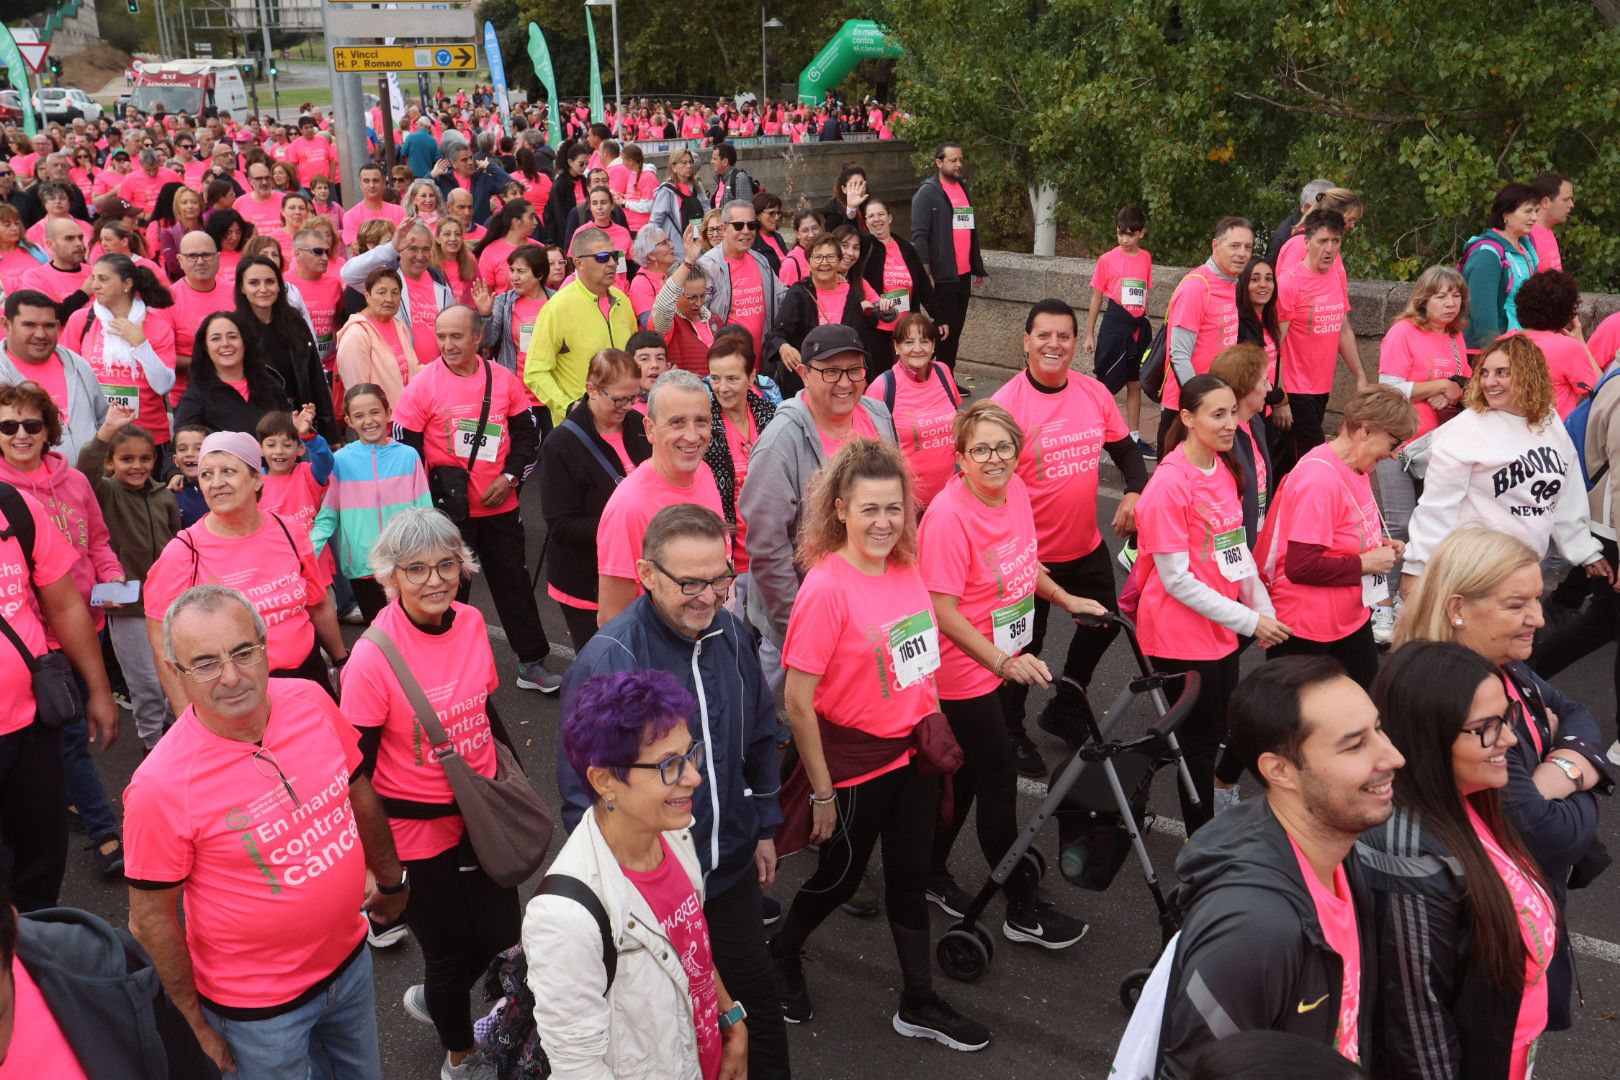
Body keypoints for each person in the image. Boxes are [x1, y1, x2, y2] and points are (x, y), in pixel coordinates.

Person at [125, 585, 406, 1079]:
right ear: (175, 671)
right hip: (257, 1014)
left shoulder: (311, 699)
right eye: (205, 663)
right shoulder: (160, 786)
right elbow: (150, 920)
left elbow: (357, 788)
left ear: (265, 645)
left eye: (243, 652)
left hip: (350, 965)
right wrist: (194, 1024)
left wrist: (391, 878)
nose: (231, 677)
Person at [767, 437, 989, 1050]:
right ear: (840, 510)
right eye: (870, 509)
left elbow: (919, 659)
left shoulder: (906, 567)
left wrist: (933, 720)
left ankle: (918, 1002)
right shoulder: (826, 588)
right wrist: (820, 793)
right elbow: (797, 702)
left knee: (909, 879)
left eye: (895, 508)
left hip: (912, 756)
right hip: (855, 764)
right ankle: (781, 951)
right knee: (840, 878)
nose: (885, 522)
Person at [556, 506, 789, 1077]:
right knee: (674, 1029)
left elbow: (760, 733)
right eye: (689, 583)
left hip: (728, 869)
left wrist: (762, 825)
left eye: (719, 578)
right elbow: (583, 794)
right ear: (646, 574)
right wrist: (631, 888)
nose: (708, 597)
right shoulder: (611, 662)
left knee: (757, 1011)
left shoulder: (730, 633)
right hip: (656, 890)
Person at [1395, 527, 1612, 1037]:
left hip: (1515, 912)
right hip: (1488, 938)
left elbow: (1577, 714)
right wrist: (1579, 775)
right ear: (1458, 608)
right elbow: (1545, 834)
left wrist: (1555, 775)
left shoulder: (1505, 668)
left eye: (1536, 598)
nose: (1539, 617)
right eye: (1518, 605)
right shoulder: (1455, 696)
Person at [340, 509, 523, 1080]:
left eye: (446, 564)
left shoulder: (469, 621)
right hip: (415, 830)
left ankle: (438, 1001)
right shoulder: (372, 657)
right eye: (416, 568)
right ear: (390, 576)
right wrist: (371, 864)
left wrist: (512, 783)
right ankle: (460, 1058)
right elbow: (354, 770)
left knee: (503, 938)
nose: (435, 579)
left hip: (481, 813)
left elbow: (485, 708)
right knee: (449, 952)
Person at [1153, 657, 1401, 1077]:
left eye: (1379, 729)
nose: (1394, 756)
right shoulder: (1254, 932)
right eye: (1355, 745)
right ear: (1280, 771)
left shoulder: (1338, 845)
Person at [918, 399, 1100, 937]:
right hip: (964, 673)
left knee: (968, 777)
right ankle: (1022, 909)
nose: (994, 458)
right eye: (981, 450)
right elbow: (942, 610)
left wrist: (1066, 598)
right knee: (998, 780)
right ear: (960, 458)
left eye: (1003, 447)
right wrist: (1003, 662)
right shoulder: (949, 518)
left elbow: (1025, 561)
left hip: (1001, 662)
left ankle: (929, 869)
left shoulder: (1015, 490)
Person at [526, 669, 749, 1080]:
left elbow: (689, 949)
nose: (694, 777)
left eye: (691, 754)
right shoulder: (564, 919)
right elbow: (578, 1069)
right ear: (604, 780)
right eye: (669, 765)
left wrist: (730, 1017)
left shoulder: (673, 833)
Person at [1359, 641, 1566, 1078]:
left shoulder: (1472, 800)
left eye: (1507, 717)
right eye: (1487, 727)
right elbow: (1417, 1034)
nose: (1510, 739)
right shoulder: (1409, 857)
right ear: (1428, 734)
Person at [990, 298, 1148, 774]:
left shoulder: (1094, 393)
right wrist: (1010, 552)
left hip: (1084, 547)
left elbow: (1125, 450)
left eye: (1064, 336)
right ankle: (1009, 730)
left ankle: (1066, 706)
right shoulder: (1005, 407)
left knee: (1104, 624)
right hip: (1027, 558)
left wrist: (1134, 491)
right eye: (1043, 335)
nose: (1053, 344)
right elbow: (986, 492)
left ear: (1077, 343)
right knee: (1025, 646)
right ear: (1026, 341)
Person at [1135, 375, 1288, 829]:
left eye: (1232, 413)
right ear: (1187, 418)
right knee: (1198, 747)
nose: (1230, 424)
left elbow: (1235, 550)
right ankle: (1200, 841)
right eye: (1217, 414)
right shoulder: (1169, 484)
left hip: (1219, 631)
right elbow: (1176, 581)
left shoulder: (1223, 469)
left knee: (1209, 732)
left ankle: (1138, 785)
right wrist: (1250, 620)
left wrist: (1263, 609)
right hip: (1178, 636)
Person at [394, 305, 560, 693]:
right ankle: (442, 666)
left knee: (513, 582)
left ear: (477, 337)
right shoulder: (423, 384)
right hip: (449, 512)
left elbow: (528, 436)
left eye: (456, 336)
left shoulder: (502, 379)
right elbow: (404, 449)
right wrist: (426, 500)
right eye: (441, 337)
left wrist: (510, 477)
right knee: (447, 588)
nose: (447, 344)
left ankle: (531, 662)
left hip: (501, 506)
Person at [0, 380, 127, 877]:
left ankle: (69, 802)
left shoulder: (74, 481)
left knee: (64, 739)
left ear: (48, 429)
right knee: (70, 737)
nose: (21, 434)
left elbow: (98, 541)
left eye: (32, 424)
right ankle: (104, 831)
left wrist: (112, 577)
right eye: (8, 425)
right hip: (37, 645)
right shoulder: (5, 494)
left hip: (87, 623)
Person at [740, 324, 898, 692]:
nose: (845, 383)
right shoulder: (781, 442)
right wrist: (799, 625)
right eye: (830, 371)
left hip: (869, 604)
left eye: (854, 370)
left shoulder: (877, 415)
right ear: (804, 373)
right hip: (804, 613)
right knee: (781, 705)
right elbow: (767, 546)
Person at [143, 430, 346, 707]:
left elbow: (318, 605)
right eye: (206, 474)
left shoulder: (289, 530)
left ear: (256, 478)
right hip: (237, 691)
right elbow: (161, 643)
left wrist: (341, 660)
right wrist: (185, 713)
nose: (216, 483)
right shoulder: (183, 552)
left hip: (309, 677)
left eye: (228, 471)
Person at [1402, 334, 1608, 590]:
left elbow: (1566, 493)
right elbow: (1436, 508)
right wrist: (1417, 567)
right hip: (1474, 572)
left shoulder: (1549, 421)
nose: (1489, 382)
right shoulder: (1464, 430)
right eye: (1484, 373)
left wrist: (1585, 551)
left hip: (1526, 569)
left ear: (1528, 375)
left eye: (1502, 373)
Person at [1255, 386, 1415, 688]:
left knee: (1369, 700)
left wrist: (1376, 545)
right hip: (1308, 627)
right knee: (1299, 713)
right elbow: (1301, 567)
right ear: (1365, 431)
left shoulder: (1356, 466)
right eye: (1393, 443)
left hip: (1348, 616)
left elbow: (1340, 534)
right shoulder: (1318, 480)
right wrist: (1366, 562)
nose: (1395, 454)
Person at [1371, 266, 1471, 639]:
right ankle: (1382, 604)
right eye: (1441, 296)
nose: (1449, 303)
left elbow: (1460, 385)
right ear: (1423, 299)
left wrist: (1452, 389)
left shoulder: (1455, 337)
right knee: (1399, 523)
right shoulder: (1402, 332)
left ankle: (1410, 602)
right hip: (1399, 442)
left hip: (1440, 445)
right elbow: (1389, 388)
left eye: (1455, 295)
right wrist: (1439, 385)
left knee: (1431, 527)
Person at [76, 408, 182, 753]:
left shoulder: (164, 495)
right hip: (129, 607)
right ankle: (153, 744)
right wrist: (105, 434)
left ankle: (174, 732)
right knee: (145, 682)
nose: (137, 466)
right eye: (127, 459)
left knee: (176, 675)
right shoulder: (106, 492)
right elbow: (85, 471)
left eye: (145, 458)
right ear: (110, 463)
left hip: (169, 604)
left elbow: (177, 544)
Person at [595, 369, 726, 625]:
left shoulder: (704, 473)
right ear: (650, 429)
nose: (692, 436)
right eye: (677, 423)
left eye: (701, 421)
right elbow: (612, 621)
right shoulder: (628, 507)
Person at [538, 349, 651, 650]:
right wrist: (628, 529)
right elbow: (562, 526)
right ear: (592, 389)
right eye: (619, 399)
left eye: (634, 397)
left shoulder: (640, 425)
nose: (628, 406)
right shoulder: (560, 445)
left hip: (639, 574)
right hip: (587, 581)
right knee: (603, 662)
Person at [1274, 208, 1366, 475]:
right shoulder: (1290, 284)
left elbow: (1342, 329)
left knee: (1293, 466)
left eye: (1335, 241)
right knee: (1315, 463)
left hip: (1321, 386)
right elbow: (1274, 344)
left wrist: (1360, 375)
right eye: (1322, 241)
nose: (1329, 248)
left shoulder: (1335, 275)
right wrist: (1280, 399)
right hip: (1294, 390)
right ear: (1306, 242)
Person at [60, 254, 179, 457]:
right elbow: (66, 375)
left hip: (147, 435)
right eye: (93, 278)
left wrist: (140, 344)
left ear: (127, 284)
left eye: (103, 279)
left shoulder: (157, 326)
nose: (94, 286)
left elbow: (163, 385)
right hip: (96, 434)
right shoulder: (81, 320)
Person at [524, 226, 637, 426]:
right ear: (579, 263)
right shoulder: (557, 308)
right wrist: (567, 406)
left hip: (625, 418)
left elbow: (634, 357)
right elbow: (535, 371)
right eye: (602, 257)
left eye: (614, 256)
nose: (612, 263)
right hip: (580, 424)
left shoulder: (623, 301)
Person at [1159, 216, 1253, 454]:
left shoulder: (1231, 284)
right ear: (1215, 246)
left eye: (1248, 247)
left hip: (1216, 408)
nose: (1242, 253)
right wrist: (1202, 404)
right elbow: (1179, 355)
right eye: (1235, 246)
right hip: (1188, 410)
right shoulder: (1197, 287)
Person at [235, 254, 338, 442]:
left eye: (270, 281)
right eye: (254, 283)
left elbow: (316, 380)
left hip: (301, 422)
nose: (263, 289)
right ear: (242, 287)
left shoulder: (296, 323)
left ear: (279, 285)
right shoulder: (234, 330)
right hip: (259, 429)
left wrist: (330, 435)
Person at [0, 290, 110, 462]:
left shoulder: (78, 365)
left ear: (58, 325)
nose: (40, 334)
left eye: (49, 326)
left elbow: (103, 420)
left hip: (89, 478)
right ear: (6, 324)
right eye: (29, 325)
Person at [911, 143, 986, 371]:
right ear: (939, 162)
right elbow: (919, 237)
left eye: (960, 160)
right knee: (944, 333)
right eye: (953, 160)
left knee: (956, 331)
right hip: (941, 277)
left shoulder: (963, 188)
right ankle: (937, 378)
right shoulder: (927, 193)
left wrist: (977, 266)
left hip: (963, 274)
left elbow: (969, 231)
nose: (959, 164)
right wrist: (926, 274)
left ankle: (946, 377)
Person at [1085, 206, 1154, 451]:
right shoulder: (1107, 259)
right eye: (1120, 233)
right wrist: (1090, 334)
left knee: (1135, 383)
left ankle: (1133, 437)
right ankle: (1094, 430)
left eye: (1130, 234)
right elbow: (1096, 298)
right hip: (1115, 323)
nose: (1124, 239)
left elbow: (1144, 292)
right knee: (1105, 382)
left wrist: (1145, 319)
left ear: (1141, 233)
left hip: (1137, 326)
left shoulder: (1146, 258)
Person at [340, 219, 455, 366]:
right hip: (398, 373)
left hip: (436, 373)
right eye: (413, 249)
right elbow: (348, 273)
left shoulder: (440, 282)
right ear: (401, 248)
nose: (420, 256)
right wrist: (391, 248)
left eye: (425, 249)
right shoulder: (384, 277)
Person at [772, 234, 871, 398]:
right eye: (818, 257)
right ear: (808, 261)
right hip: (807, 384)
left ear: (839, 261)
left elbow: (862, 341)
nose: (824, 263)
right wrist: (784, 347)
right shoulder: (798, 293)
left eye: (831, 257)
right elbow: (777, 334)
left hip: (844, 382)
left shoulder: (851, 294)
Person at [697, 200, 784, 371]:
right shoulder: (708, 266)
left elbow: (782, 297)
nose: (746, 231)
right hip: (726, 367)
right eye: (738, 226)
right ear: (724, 229)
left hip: (762, 366)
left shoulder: (761, 261)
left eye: (751, 225)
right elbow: (697, 316)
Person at [1208, 343, 1275, 546]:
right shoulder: (1224, 438)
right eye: (1264, 381)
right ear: (1245, 388)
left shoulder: (1255, 424)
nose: (1270, 388)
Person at [1462, 183, 1542, 352]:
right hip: (1490, 352)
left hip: (1519, 345)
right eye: (1528, 211)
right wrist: (1494, 355)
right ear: (1506, 214)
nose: (1535, 217)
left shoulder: (1526, 247)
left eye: (1536, 211)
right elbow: (1483, 312)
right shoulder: (1486, 254)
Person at [1512, 269, 1602, 418]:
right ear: (1567, 311)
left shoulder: (1503, 342)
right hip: (1553, 430)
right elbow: (1601, 392)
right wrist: (1581, 342)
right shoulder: (1567, 348)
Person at [334, 266, 420, 409]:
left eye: (395, 293)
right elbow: (358, 392)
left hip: (407, 415)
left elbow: (412, 370)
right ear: (367, 296)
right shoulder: (356, 333)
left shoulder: (399, 326)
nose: (389, 299)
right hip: (379, 419)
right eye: (381, 292)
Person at [432, 140, 513, 227]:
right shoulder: (443, 180)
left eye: (471, 157)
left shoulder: (482, 178)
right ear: (454, 163)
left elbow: (510, 185)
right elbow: (422, 191)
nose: (470, 162)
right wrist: (432, 175)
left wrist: (490, 166)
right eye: (464, 160)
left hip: (480, 231)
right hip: (453, 231)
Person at [472, 197, 539, 294]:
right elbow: (486, 294)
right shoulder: (490, 252)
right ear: (516, 221)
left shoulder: (538, 248)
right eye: (531, 217)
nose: (536, 222)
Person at [646, 148, 710, 247]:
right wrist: (654, 245)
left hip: (698, 242)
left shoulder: (697, 185)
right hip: (676, 246)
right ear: (674, 167)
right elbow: (656, 221)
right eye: (684, 163)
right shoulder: (667, 190)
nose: (688, 166)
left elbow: (707, 210)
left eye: (690, 162)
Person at [1268, 177, 1336, 259]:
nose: (1334, 215)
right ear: (1307, 208)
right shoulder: (1284, 238)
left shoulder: (1318, 230)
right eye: (1328, 210)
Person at [343, 163, 406, 250]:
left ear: (383, 183)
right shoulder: (351, 216)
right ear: (360, 184)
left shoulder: (399, 211)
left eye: (375, 180)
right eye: (366, 181)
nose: (371, 185)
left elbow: (404, 242)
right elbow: (357, 248)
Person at [627, 225, 675, 329]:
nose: (672, 245)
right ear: (651, 255)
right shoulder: (641, 283)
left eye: (669, 240)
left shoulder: (669, 274)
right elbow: (650, 325)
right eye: (664, 243)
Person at [1527, 171, 1574, 274]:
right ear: (1545, 202)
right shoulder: (1527, 237)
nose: (1571, 204)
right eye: (1566, 199)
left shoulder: (1547, 230)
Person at [778, 209, 820, 288]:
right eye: (805, 230)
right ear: (797, 234)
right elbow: (786, 294)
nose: (811, 234)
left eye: (815, 228)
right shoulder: (791, 263)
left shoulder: (824, 254)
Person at [711, 143, 757, 207]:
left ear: (725, 162)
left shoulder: (740, 178)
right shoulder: (720, 179)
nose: (711, 162)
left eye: (714, 159)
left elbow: (745, 208)